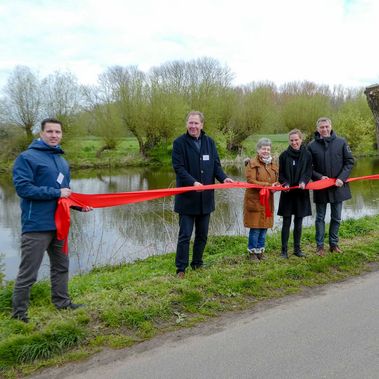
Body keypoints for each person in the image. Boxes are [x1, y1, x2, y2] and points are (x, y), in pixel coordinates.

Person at [12, 118, 91, 323]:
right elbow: (23, 189)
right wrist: (56, 192)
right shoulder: (27, 158)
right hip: (36, 225)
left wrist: (80, 206)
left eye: (57, 132)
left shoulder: (62, 161)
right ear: (41, 133)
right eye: (50, 131)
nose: (54, 135)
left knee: (61, 266)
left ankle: (62, 303)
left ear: (62, 134)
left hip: (60, 225)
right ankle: (19, 314)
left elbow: (66, 196)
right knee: (28, 273)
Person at [172, 111, 233, 278]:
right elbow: (179, 168)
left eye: (196, 123)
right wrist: (193, 183)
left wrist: (224, 178)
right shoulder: (179, 143)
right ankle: (181, 269)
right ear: (186, 124)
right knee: (185, 235)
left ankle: (197, 263)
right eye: (190, 123)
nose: (193, 126)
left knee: (202, 235)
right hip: (187, 199)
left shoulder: (209, 142)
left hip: (205, 199)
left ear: (202, 125)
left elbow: (216, 166)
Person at [308, 117, 354, 256]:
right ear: (317, 129)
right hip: (321, 187)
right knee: (320, 218)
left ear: (331, 126)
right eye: (322, 127)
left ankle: (334, 244)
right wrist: (319, 177)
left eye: (327, 126)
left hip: (338, 187)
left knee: (336, 217)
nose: (325, 129)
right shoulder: (311, 146)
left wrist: (341, 178)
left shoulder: (341, 142)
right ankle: (320, 247)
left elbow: (349, 162)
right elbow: (308, 168)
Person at [278, 129, 312, 259]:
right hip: (287, 193)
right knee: (286, 222)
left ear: (301, 140)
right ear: (289, 141)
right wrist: (284, 183)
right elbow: (280, 174)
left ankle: (297, 249)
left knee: (299, 222)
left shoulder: (307, 155)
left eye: (296, 140)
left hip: (301, 193)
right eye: (292, 140)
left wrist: (303, 181)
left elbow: (308, 172)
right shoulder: (283, 156)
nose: (294, 142)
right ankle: (284, 251)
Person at [243, 138, 279, 260]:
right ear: (258, 150)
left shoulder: (273, 164)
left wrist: (277, 186)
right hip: (255, 200)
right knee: (255, 227)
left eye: (268, 149)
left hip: (268, 200)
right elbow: (251, 181)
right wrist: (269, 186)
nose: (266, 151)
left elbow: (277, 180)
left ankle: (260, 251)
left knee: (264, 227)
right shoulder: (252, 163)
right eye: (263, 149)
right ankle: (252, 253)